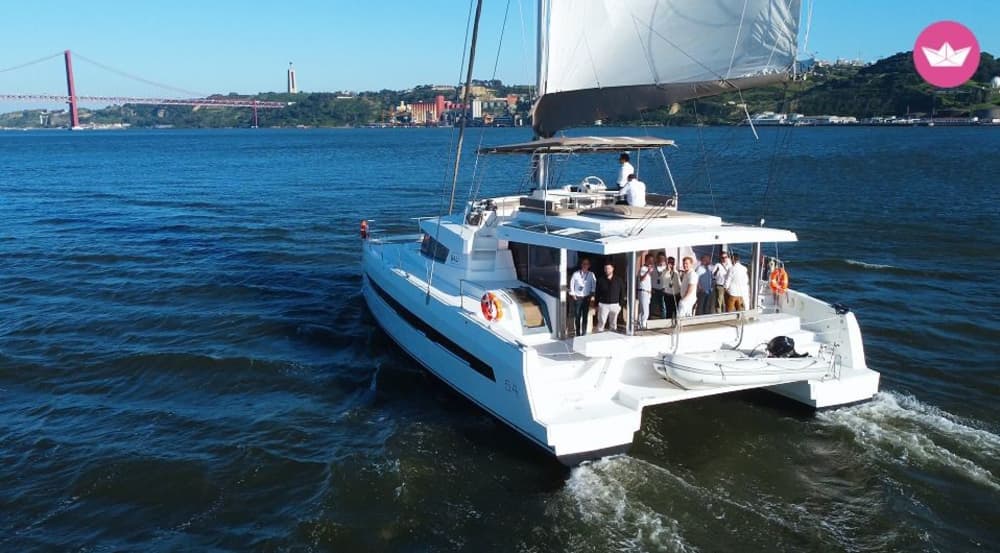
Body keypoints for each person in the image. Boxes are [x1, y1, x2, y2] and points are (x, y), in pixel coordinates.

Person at [569, 257, 597, 336]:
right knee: (577, 316)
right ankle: (577, 332)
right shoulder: (576, 274)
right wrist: (573, 294)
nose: (585, 265)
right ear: (581, 265)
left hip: (586, 298)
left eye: (587, 264)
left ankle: (584, 332)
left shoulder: (591, 274)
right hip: (577, 298)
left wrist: (592, 295)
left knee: (585, 316)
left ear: (589, 265)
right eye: (584, 264)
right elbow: (572, 284)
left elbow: (593, 286)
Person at [595, 261, 626, 332]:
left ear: (612, 269)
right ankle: (599, 338)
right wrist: (596, 304)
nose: (607, 270)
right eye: (605, 268)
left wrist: (620, 305)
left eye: (608, 268)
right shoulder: (600, 280)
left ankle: (613, 338)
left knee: (613, 324)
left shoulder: (619, 280)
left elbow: (622, 293)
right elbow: (597, 293)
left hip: (615, 305)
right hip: (603, 305)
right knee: (601, 323)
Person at [636, 254, 654, 329]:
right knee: (645, 311)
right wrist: (648, 272)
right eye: (649, 260)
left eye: (652, 260)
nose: (651, 262)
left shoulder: (648, 268)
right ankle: (643, 324)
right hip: (643, 291)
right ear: (646, 260)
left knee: (642, 309)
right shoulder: (643, 268)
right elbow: (641, 278)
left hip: (647, 292)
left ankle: (640, 324)